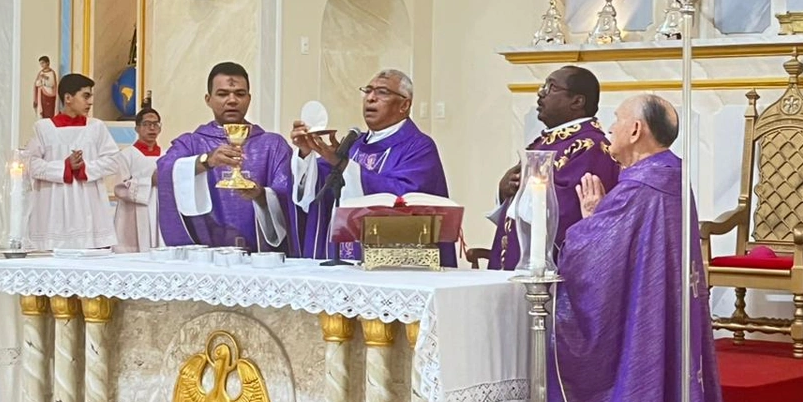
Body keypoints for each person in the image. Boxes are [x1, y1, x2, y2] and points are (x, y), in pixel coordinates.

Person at [548, 94, 741, 402]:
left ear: (636, 131)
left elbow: (590, 267)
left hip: (636, 345)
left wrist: (588, 221)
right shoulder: (672, 180)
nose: (609, 128)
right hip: (661, 333)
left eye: (615, 120)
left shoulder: (637, 191)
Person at [291, 69, 453, 265]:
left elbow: (405, 199)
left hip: (394, 266)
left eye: (382, 92)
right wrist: (306, 153)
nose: (371, 98)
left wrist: (343, 166)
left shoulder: (419, 147)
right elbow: (319, 190)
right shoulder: (354, 144)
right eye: (368, 91)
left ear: (404, 104)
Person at [487, 66, 619, 270]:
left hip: (549, 271)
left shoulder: (590, 147)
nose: (541, 93)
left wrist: (525, 192)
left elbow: (568, 212)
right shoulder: (543, 142)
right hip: (516, 260)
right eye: (543, 86)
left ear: (577, 101)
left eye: (551, 87)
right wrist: (503, 190)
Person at [156, 62, 295, 252]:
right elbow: (161, 173)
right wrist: (206, 160)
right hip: (206, 256)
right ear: (208, 99)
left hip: (261, 257)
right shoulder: (191, 143)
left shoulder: (273, 145)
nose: (232, 100)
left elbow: (289, 196)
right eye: (222, 94)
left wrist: (261, 195)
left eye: (239, 94)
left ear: (249, 98)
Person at [24, 73, 122, 250]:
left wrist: (85, 167)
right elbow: (31, 164)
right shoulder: (44, 128)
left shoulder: (96, 127)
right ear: (68, 98)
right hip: (54, 209)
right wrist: (64, 167)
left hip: (88, 207)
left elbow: (114, 160)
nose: (90, 102)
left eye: (91, 96)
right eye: (85, 96)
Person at [114, 107, 163, 253]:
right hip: (133, 213)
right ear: (137, 128)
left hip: (160, 210)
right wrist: (149, 181)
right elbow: (120, 187)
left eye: (156, 124)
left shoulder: (167, 154)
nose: (152, 128)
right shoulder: (126, 155)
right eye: (147, 124)